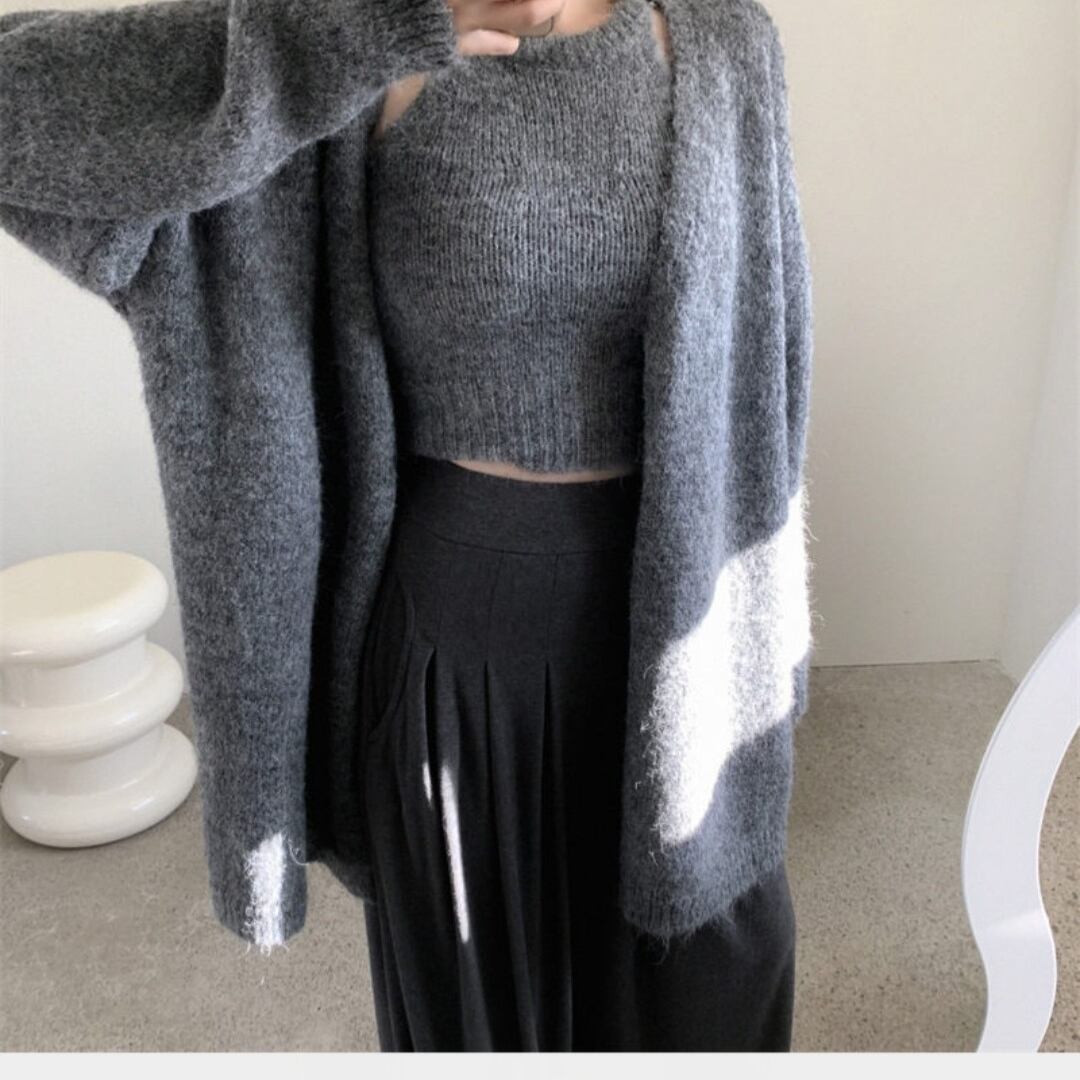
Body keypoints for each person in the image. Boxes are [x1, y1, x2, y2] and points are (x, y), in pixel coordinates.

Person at [0, 0, 811, 1053]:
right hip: (453, 647)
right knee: (481, 1013)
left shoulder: (723, 44)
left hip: (683, 622)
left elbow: (772, 360)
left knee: (717, 989)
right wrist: (374, 27)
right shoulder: (370, 41)